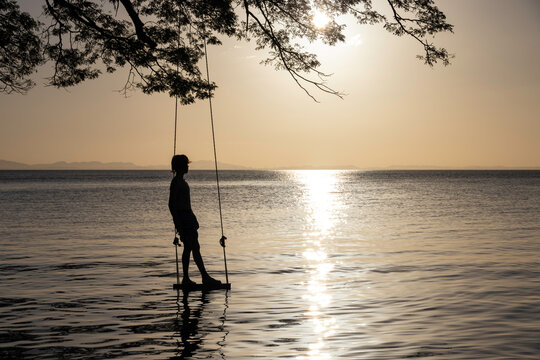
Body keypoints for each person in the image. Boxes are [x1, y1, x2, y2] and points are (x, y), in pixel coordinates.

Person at [169, 154, 221, 287]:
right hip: (184, 219)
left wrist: (192, 218)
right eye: (185, 164)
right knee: (190, 247)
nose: (188, 166)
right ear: (180, 166)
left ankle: (200, 277)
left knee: (193, 247)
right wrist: (178, 224)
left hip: (188, 218)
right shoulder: (176, 182)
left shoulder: (181, 181)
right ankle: (195, 277)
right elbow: (172, 205)